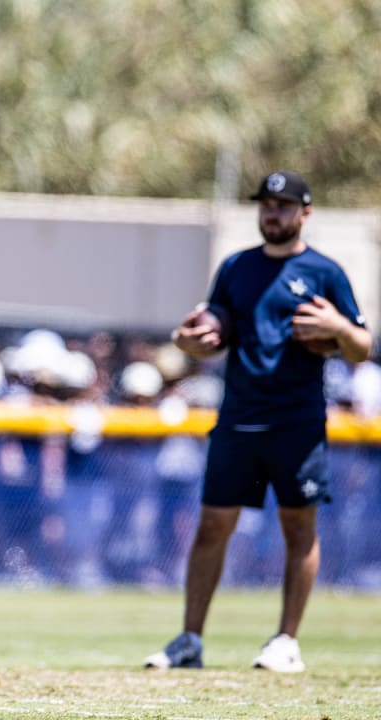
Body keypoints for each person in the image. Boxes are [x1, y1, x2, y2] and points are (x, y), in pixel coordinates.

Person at [146, 171, 372, 673]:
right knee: (211, 527)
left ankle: (286, 640)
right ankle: (190, 640)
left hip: (298, 422)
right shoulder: (235, 268)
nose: (273, 213)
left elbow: (361, 348)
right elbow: (208, 330)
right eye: (267, 205)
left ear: (305, 213)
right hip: (239, 420)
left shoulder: (324, 272)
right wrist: (187, 343)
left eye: (284, 205)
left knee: (298, 530)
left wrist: (337, 327)